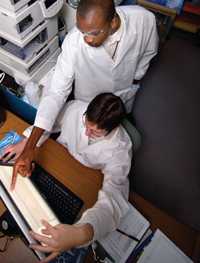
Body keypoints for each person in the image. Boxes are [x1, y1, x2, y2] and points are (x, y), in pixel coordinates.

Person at [11, 0, 157, 181]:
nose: (87, 39)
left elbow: (149, 51)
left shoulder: (143, 20)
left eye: (93, 33)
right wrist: (30, 146)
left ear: (112, 22)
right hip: (88, 101)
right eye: (83, 32)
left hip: (123, 95)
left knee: (110, 141)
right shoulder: (74, 42)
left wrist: (136, 76)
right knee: (82, 145)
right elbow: (56, 93)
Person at [1, 93, 132, 262]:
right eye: (86, 124)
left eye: (95, 132)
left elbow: (114, 200)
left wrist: (82, 233)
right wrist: (27, 143)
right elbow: (48, 123)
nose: (86, 132)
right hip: (60, 160)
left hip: (85, 177)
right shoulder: (77, 109)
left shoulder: (120, 149)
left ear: (112, 129)